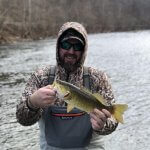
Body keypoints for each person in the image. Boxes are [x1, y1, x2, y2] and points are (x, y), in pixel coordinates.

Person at [16, 22, 118, 150]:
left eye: (77, 46)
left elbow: (113, 122)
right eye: (66, 44)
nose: (71, 51)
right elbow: (22, 119)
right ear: (58, 47)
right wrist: (32, 103)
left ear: (84, 50)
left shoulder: (98, 78)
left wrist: (103, 125)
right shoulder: (41, 76)